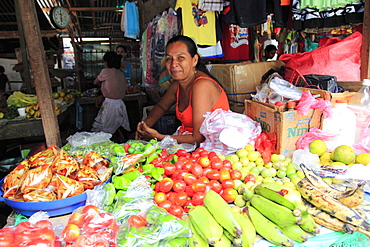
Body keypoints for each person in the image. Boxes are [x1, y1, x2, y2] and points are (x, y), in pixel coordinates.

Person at [136, 35, 230, 146]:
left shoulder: (202, 86)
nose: (173, 64)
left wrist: (158, 136)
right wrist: (144, 126)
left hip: (213, 148)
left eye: (180, 57)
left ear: (194, 60)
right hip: (190, 143)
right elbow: (161, 107)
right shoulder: (177, 85)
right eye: (169, 59)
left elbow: (198, 137)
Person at [91, 52, 130, 137]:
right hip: (120, 103)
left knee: (104, 128)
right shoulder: (120, 73)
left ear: (107, 62)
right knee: (117, 125)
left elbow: (95, 82)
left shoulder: (105, 71)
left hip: (109, 104)